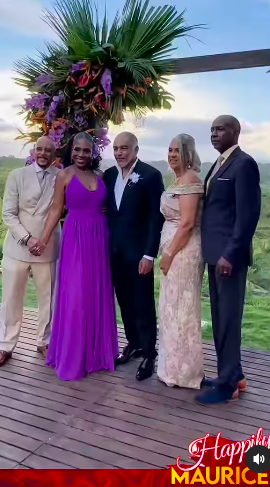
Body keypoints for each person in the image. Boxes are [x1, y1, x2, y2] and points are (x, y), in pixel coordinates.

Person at [31, 132, 118, 381]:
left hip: (99, 237)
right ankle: (74, 355)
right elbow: (57, 208)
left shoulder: (99, 176)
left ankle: (97, 353)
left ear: (93, 153)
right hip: (76, 237)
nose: (81, 155)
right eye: (77, 150)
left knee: (97, 292)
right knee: (77, 294)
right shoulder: (64, 175)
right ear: (71, 150)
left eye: (86, 151)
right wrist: (44, 239)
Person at [196, 115, 261, 405]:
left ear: (236, 132)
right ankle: (233, 374)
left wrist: (230, 254)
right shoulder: (221, 162)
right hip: (215, 254)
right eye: (211, 129)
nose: (214, 134)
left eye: (220, 129)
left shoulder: (244, 164)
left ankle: (227, 385)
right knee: (221, 317)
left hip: (227, 258)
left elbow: (247, 216)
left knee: (229, 320)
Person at [0, 136, 60, 368]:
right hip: (18, 247)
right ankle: (5, 344)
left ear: (54, 153)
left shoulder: (61, 177)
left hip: (48, 247)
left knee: (48, 300)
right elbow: (8, 214)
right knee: (11, 298)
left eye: (48, 150)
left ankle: (44, 341)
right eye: (39, 149)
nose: (43, 153)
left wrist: (42, 240)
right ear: (33, 151)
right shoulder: (17, 176)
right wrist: (28, 239)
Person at [103, 132, 164, 381]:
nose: (119, 152)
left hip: (139, 254)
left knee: (143, 303)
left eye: (125, 148)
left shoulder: (150, 176)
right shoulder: (109, 175)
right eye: (116, 148)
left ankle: (149, 352)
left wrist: (149, 255)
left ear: (136, 150)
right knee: (124, 302)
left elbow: (155, 219)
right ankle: (134, 343)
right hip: (114, 252)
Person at [158, 134, 204, 389]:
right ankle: (171, 368)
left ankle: (185, 372)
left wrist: (168, 254)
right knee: (171, 308)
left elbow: (186, 224)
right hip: (174, 250)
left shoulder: (190, 180)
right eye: (170, 149)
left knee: (182, 308)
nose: (173, 154)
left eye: (178, 150)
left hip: (183, 252)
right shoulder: (177, 180)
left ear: (188, 153)